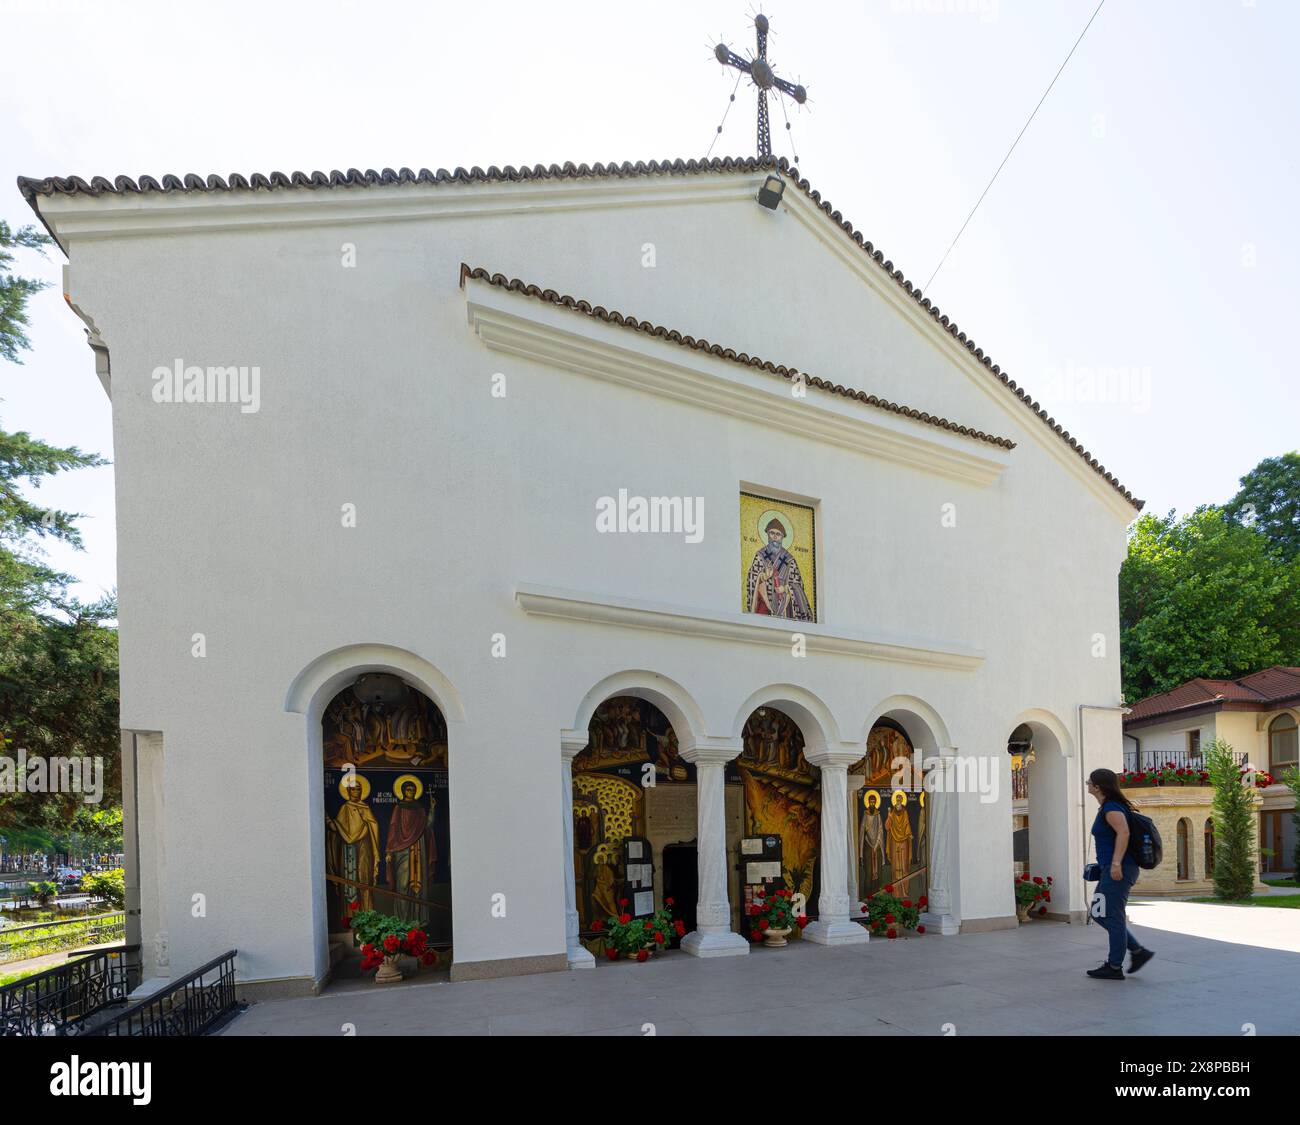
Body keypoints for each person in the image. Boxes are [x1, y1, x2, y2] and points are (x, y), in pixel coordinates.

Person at [1085, 768, 1155, 980]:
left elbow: (1123, 832)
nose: (1087, 783)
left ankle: (1114, 966)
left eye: (1090, 781)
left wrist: (1116, 864)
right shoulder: (1107, 806)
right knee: (1098, 912)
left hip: (1119, 869)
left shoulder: (1112, 808)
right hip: (1110, 869)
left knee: (1112, 915)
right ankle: (1138, 952)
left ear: (1098, 786)